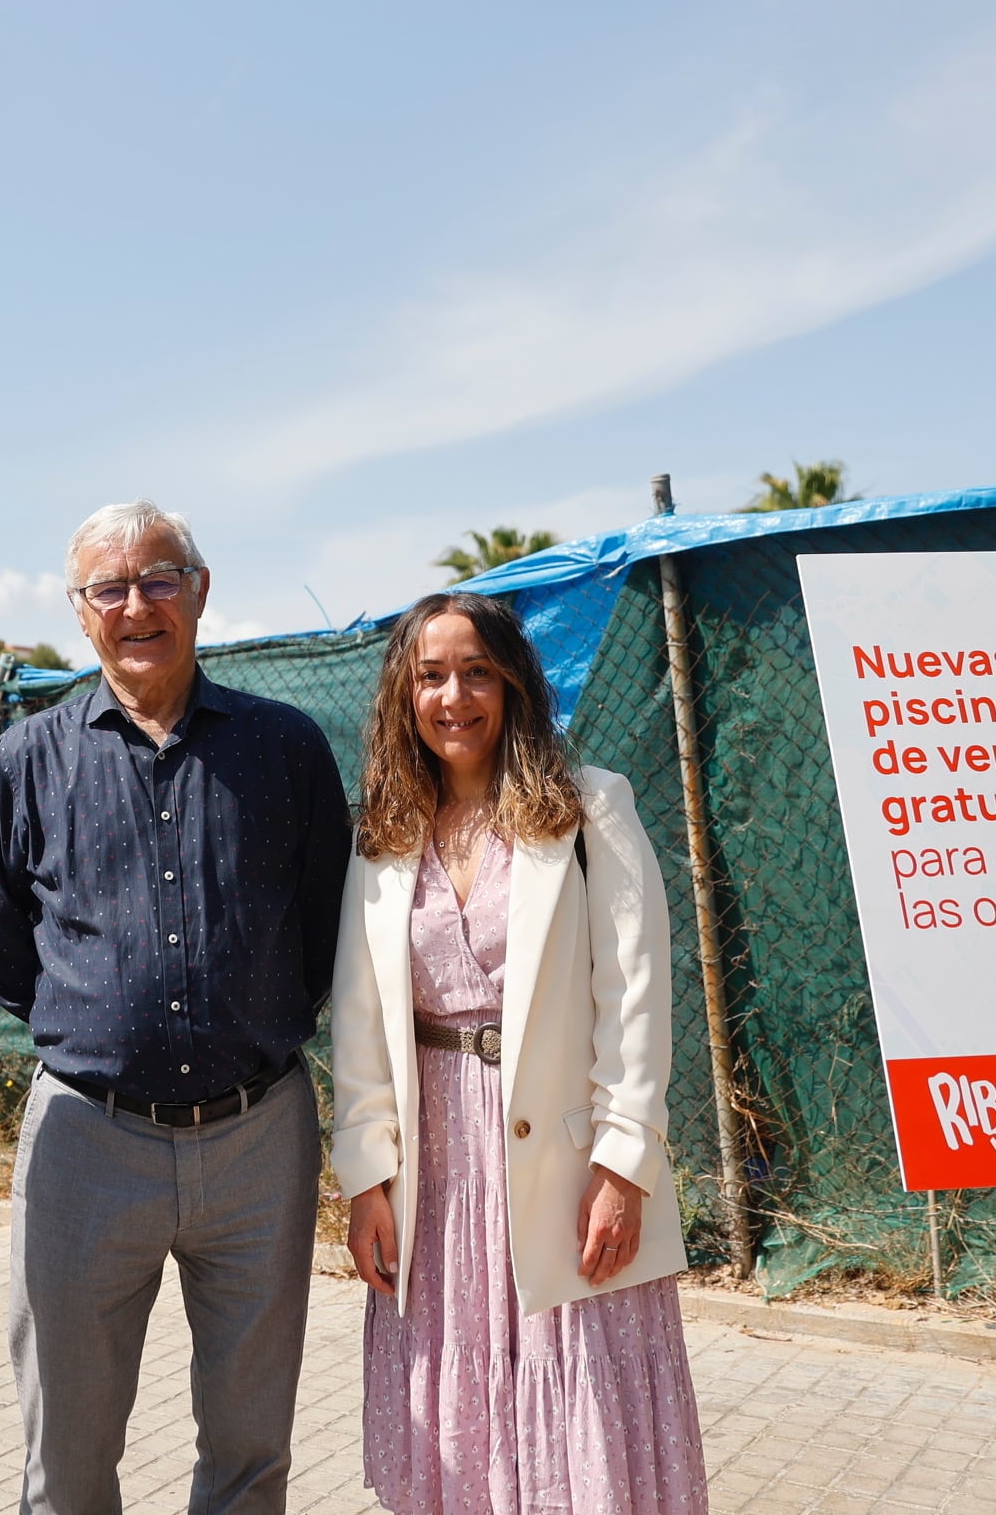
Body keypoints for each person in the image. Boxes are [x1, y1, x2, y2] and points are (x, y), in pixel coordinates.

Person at [0, 500, 352, 1515]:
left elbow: (326, 929)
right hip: (85, 1143)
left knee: (250, 1449)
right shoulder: (25, 762)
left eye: (160, 579)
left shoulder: (286, 749)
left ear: (200, 591)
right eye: (110, 588)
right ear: (80, 612)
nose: (137, 605)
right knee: (69, 1458)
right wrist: (97, 1028)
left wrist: (249, 1024)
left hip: (260, 1138)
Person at [332, 591, 709, 1515]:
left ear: (513, 684)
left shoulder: (589, 806)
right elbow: (360, 1015)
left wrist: (625, 1166)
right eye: (429, 676)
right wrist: (366, 1176)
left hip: (564, 1166)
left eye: (476, 672)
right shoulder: (385, 829)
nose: (453, 696)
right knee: (460, 1421)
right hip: (437, 1169)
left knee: (577, 1399)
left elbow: (636, 996)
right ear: (402, 695)